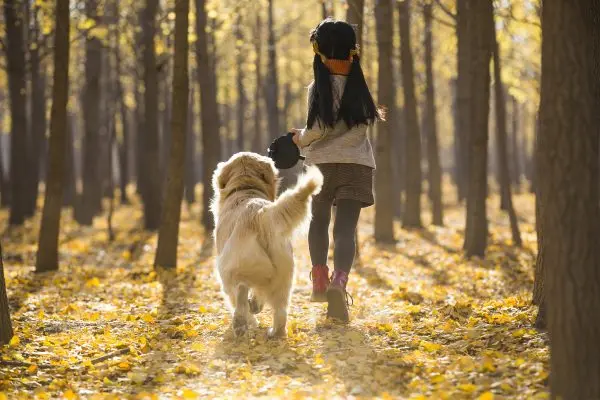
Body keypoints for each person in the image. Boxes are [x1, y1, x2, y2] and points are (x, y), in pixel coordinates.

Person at [292, 18, 381, 322]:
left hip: (322, 167)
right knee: (345, 230)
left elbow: (316, 129)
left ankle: (319, 277)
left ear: (320, 51)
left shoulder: (319, 87)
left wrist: (298, 139)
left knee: (318, 223)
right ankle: (339, 284)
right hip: (356, 166)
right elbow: (361, 129)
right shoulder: (361, 87)